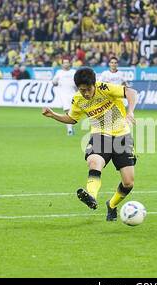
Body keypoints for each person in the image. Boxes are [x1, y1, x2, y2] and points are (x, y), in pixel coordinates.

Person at [41, 67, 138, 222]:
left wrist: (130, 111)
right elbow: (72, 119)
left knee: (128, 182)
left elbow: (131, 92)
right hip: (100, 134)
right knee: (94, 162)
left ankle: (111, 205)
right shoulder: (78, 99)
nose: (85, 93)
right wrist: (53, 115)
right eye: (82, 90)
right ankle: (91, 196)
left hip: (122, 136)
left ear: (94, 84)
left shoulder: (105, 88)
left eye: (88, 89)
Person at [52, 58, 76, 136]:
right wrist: (54, 82)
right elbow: (54, 82)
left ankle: (70, 126)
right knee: (67, 111)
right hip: (63, 95)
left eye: (67, 62)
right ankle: (69, 130)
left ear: (69, 64)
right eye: (64, 63)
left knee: (72, 112)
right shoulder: (59, 72)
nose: (66, 64)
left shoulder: (73, 72)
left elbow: (77, 83)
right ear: (62, 64)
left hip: (73, 94)